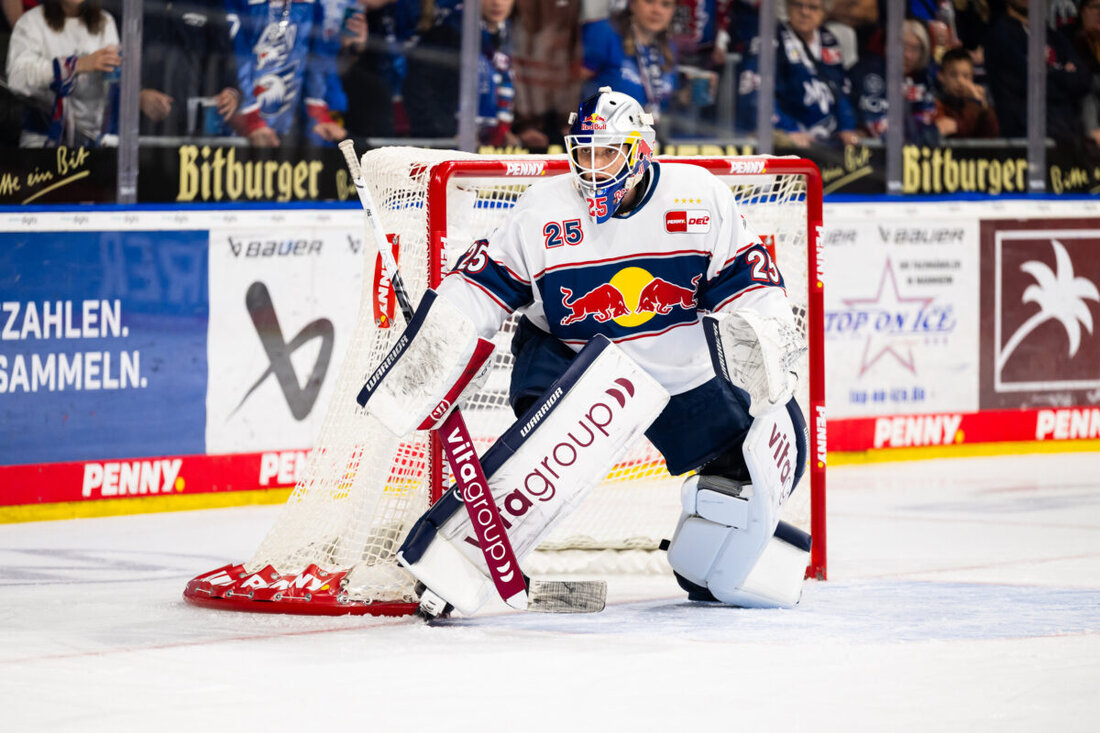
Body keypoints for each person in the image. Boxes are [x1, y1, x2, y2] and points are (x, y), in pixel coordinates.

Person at [359, 87, 812, 616]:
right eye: (584, 152)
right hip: (571, 359)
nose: (593, 168)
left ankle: (711, 564)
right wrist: (440, 342)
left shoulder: (697, 197)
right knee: (548, 453)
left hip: (674, 365)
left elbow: (751, 284)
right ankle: (458, 562)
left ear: (641, 150)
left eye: (608, 152)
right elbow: (481, 284)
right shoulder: (543, 210)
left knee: (774, 450)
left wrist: (766, 334)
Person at [96, 0, 240, 137]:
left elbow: (224, 58)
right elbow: (105, 59)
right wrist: (137, 96)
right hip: (132, 135)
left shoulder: (209, 2)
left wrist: (230, 93)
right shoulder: (123, 4)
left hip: (194, 130)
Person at [737, 0, 861, 147]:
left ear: (824, 12)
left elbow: (840, 90)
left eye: (813, 7)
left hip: (827, 144)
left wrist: (846, 127)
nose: (805, 12)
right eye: (798, 5)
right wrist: (788, 129)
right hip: (787, 145)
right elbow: (755, 95)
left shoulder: (828, 40)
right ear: (787, 7)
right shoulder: (768, 40)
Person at [226, 0, 347, 147]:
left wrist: (316, 111)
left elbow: (317, 60)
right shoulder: (238, 4)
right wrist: (249, 117)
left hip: (286, 126)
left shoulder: (310, 5)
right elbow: (235, 60)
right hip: (237, 126)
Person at [403, 0, 520, 146]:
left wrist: (506, 132)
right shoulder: (446, 34)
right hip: (448, 147)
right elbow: (419, 92)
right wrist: (448, 135)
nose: (497, 3)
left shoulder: (509, 37)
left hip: (486, 145)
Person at [5, 0, 119, 147]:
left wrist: (139, 95)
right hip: (42, 140)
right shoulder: (31, 22)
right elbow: (17, 78)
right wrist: (74, 66)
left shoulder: (105, 22)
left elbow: (113, 83)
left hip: (94, 141)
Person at [984, 0, 1090, 146]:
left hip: (1066, 136)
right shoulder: (1000, 36)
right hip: (1023, 142)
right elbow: (1030, 84)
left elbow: (1083, 80)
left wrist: (1048, 75)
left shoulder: (1054, 37)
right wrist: (1063, 73)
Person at [581, 0, 678, 119]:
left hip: (645, 133)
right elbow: (572, 84)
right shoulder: (604, 32)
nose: (657, 10)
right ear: (632, 4)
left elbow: (667, 104)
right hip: (599, 132)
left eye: (666, 4)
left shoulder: (670, 49)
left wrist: (690, 94)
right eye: (649, 1)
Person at [848, 18, 940, 144]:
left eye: (915, 49)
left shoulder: (924, 78)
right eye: (903, 47)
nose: (908, 55)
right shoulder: (870, 73)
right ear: (889, 46)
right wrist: (933, 131)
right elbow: (878, 127)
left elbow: (929, 116)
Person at [934, 45, 999, 138]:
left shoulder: (977, 106)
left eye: (966, 76)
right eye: (953, 75)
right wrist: (976, 103)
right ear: (941, 76)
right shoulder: (937, 105)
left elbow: (992, 134)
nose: (960, 82)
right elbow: (960, 130)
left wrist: (984, 106)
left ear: (972, 78)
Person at [1075, 0, 1100, 149]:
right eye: (1096, 7)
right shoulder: (1071, 39)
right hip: (1086, 118)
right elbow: (1084, 82)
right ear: (1083, 12)